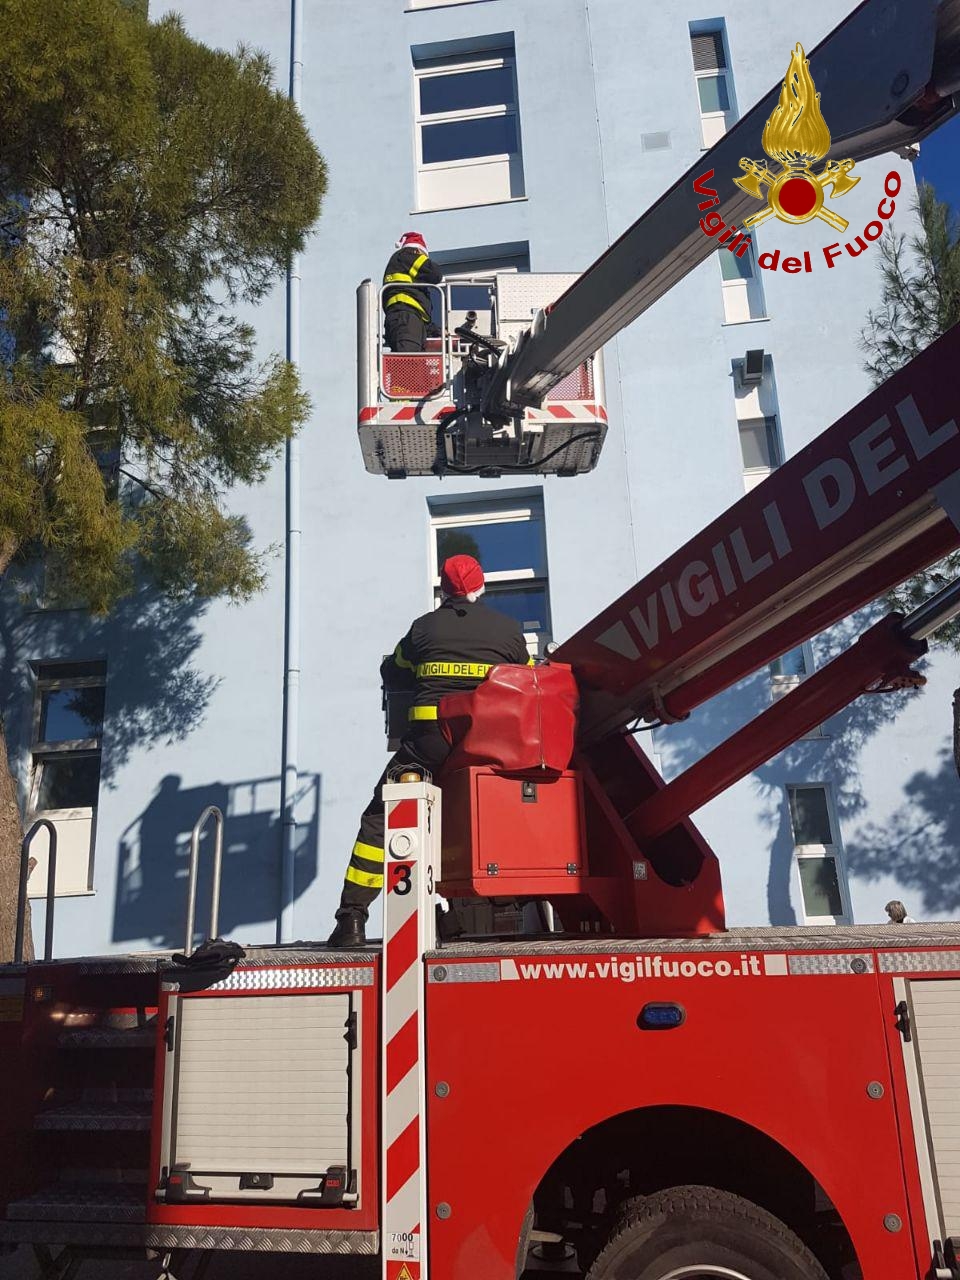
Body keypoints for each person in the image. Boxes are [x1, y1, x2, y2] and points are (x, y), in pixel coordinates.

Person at [327, 554, 531, 948]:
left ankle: (351, 919)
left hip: (428, 747)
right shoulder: (507, 631)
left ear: (444, 589)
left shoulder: (423, 629)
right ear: (481, 587)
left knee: (379, 818)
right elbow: (527, 675)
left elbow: (394, 671)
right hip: (488, 747)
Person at [382, 231, 442, 353]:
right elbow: (435, 274)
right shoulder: (407, 255)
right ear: (418, 251)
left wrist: (438, 332)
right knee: (409, 361)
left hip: (406, 319)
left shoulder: (410, 286)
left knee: (414, 362)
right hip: (405, 318)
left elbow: (422, 319)